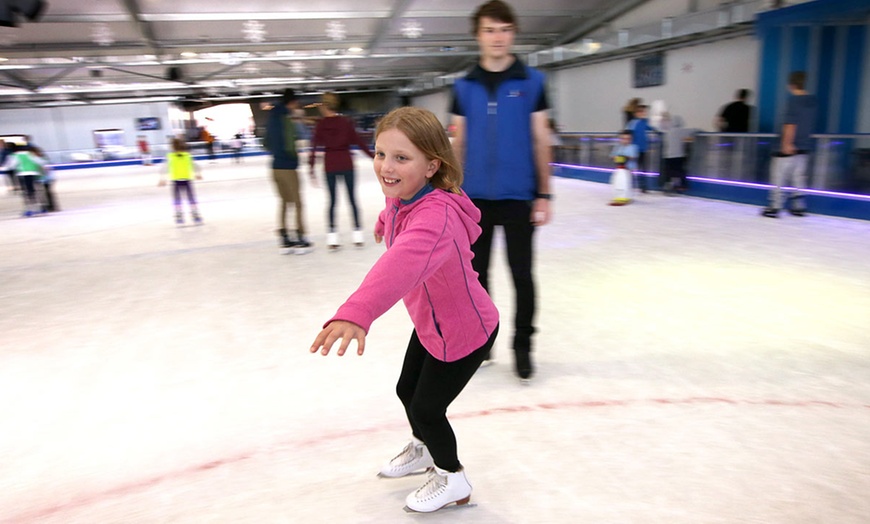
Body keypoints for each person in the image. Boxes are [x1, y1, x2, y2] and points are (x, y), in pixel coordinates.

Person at [309, 107, 499, 513]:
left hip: (463, 330)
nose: (385, 167)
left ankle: (453, 479)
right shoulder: (406, 194)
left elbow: (399, 267)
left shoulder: (436, 218)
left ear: (432, 165)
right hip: (434, 322)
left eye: (401, 158)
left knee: (427, 409)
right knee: (405, 391)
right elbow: (398, 211)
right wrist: (383, 218)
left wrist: (355, 311)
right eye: (380, 154)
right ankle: (424, 449)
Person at [450, 0, 552, 382]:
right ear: (478, 35)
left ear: (513, 33)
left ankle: (523, 346)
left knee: (522, 275)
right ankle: (482, 342)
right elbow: (456, 142)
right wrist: (452, 192)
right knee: (476, 277)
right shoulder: (463, 86)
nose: (498, 37)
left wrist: (544, 193)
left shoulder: (533, 82)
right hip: (474, 198)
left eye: (505, 29)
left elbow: (541, 139)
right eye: (490, 30)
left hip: (518, 197)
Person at [308, 91, 375, 249]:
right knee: (352, 199)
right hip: (346, 163)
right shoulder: (346, 122)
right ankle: (357, 234)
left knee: (332, 201)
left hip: (330, 165)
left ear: (324, 106)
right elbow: (359, 142)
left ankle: (332, 237)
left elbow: (314, 147)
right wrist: (374, 156)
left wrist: (311, 168)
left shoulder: (321, 125)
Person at [264, 88, 314, 254]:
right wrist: (293, 157)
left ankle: (284, 237)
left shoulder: (271, 117)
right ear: (292, 102)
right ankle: (300, 237)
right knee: (298, 203)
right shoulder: (288, 118)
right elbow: (293, 141)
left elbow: (266, 142)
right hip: (288, 167)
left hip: (275, 167)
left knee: (284, 202)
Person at [762, 71, 818, 218]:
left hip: (789, 146)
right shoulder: (812, 102)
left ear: (791, 85)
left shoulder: (793, 101)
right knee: (799, 176)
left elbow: (790, 125)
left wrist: (786, 143)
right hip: (804, 145)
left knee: (779, 175)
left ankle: (775, 206)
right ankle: (798, 206)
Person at [158, 137, 203, 225]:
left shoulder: (170, 157)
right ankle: (195, 213)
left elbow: (164, 168)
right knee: (191, 198)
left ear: (172, 147)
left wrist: (162, 179)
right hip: (187, 180)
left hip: (176, 181)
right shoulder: (187, 156)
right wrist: (198, 174)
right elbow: (196, 166)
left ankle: (179, 214)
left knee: (177, 198)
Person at [3, 144, 47, 217]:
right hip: (34, 174)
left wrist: (4, 168)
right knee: (36, 191)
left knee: (27, 192)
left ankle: (30, 209)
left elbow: (11, 166)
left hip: (23, 175)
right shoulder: (30, 154)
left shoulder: (15, 156)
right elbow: (40, 162)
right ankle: (40, 208)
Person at [659, 113, 694, 194]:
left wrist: (663, 119)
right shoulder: (681, 131)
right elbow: (693, 130)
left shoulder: (667, 131)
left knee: (669, 171)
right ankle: (681, 185)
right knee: (679, 171)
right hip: (679, 155)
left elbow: (660, 129)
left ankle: (669, 185)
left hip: (667, 156)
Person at [626, 104, 652, 193]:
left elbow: (655, 128)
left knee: (643, 169)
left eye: (643, 111)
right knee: (632, 167)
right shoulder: (632, 123)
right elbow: (628, 135)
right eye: (640, 111)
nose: (642, 113)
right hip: (634, 150)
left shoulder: (646, 122)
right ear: (636, 113)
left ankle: (643, 186)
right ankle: (630, 184)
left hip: (643, 149)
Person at [609, 130, 638, 206]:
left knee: (626, 182)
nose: (625, 140)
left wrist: (625, 157)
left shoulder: (633, 147)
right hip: (619, 168)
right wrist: (615, 157)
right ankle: (617, 195)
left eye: (628, 139)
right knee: (618, 181)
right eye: (623, 138)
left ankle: (627, 196)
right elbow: (612, 155)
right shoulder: (617, 147)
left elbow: (633, 156)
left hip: (628, 169)